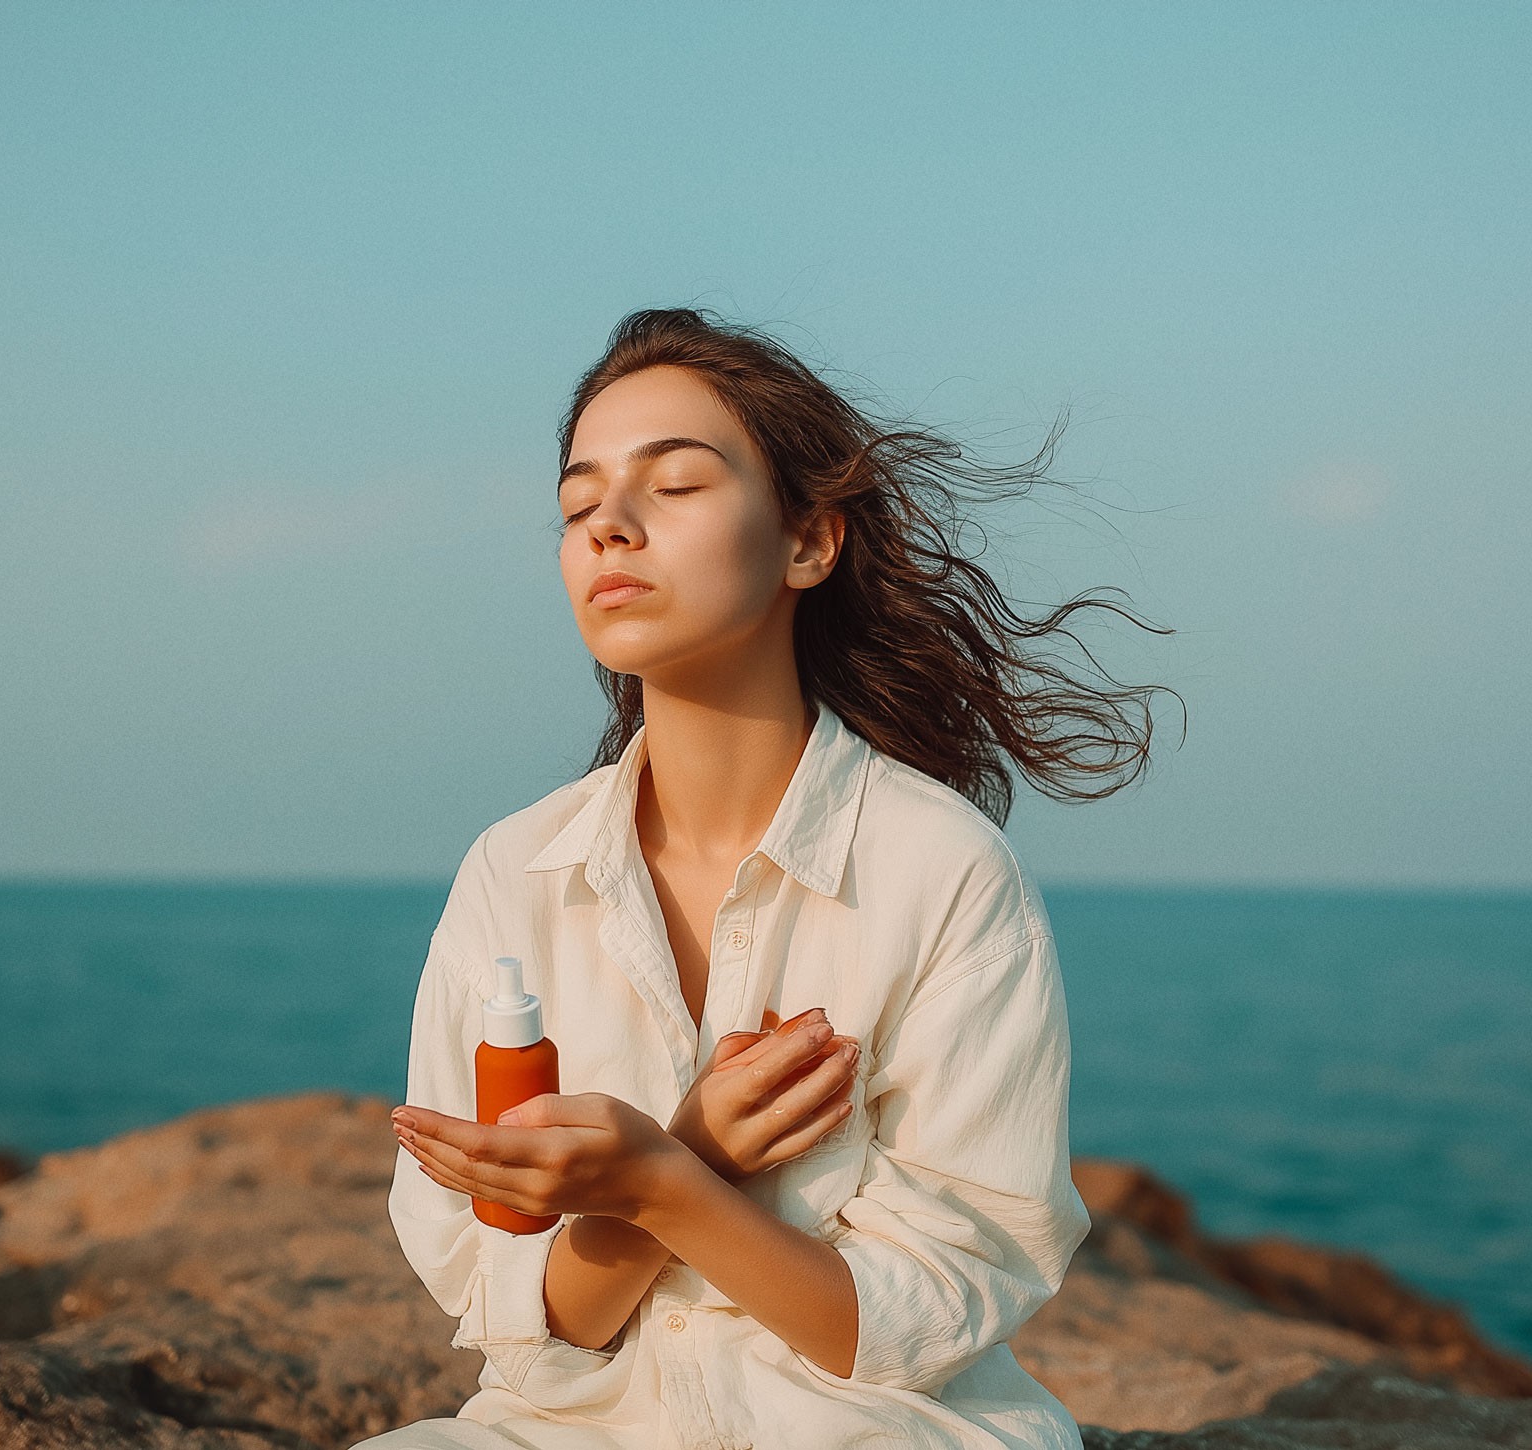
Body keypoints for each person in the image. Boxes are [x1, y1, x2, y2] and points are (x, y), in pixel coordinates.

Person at [349, 308, 1175, 1450]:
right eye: (579, 505)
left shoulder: (939, 870)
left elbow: (922, 1321)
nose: (610, 530)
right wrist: (682, 1157)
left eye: (673, 485)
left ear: (807, 541)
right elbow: (531, 1330)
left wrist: (662, 1177)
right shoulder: (514, 871)